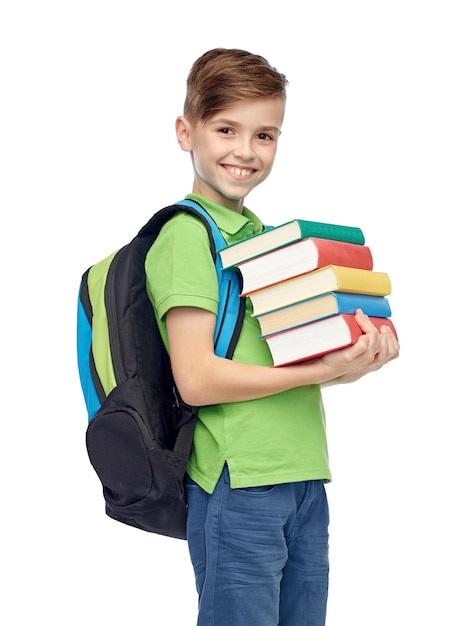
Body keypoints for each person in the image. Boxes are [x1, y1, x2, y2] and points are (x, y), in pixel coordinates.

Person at [145, 48, 399, 626]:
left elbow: (273, 356)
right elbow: (198, 378)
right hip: (240, 481)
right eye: (226, 129)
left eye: (266, 135)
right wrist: (319, 373)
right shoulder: (188, 237)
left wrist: (351, 361)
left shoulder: (260, 237)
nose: (245, 151)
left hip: (303, 475)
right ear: (186, 132)